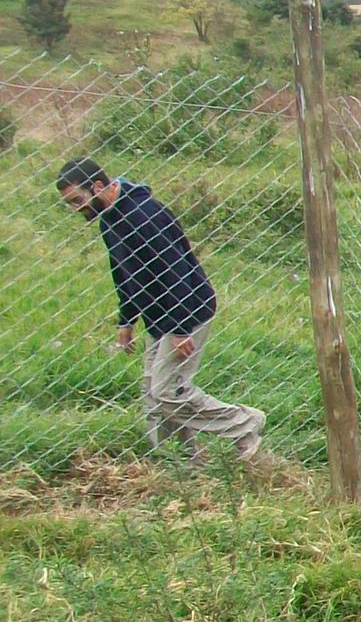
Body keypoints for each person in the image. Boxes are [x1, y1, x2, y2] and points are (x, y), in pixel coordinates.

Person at [55, 158, 267, 462]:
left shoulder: (144, 214)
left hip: (187, 309)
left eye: (77, 199)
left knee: (167, 390)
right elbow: (123, 273)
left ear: (98, 186)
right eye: (70, 203)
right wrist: (126, 321)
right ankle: (180, 462)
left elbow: (176, 271)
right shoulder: (110, 220)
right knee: (153, 394)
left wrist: (180, 327)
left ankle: (244, 423)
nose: (76, 208)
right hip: (159, 316)